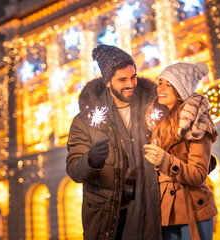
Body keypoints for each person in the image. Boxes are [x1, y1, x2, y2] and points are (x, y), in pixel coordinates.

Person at [66, 44, 162, 240]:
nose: (130, 84)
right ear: (108, 81)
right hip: (110, 216)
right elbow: (74, 170)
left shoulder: (154, 107)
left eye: (133, 77)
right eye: (122, 79)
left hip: (152, 209)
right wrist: (91, 160)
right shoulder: (85, 120)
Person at [144, 62, 218, 240]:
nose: (160, 88)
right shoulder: (158, 124)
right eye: (160, 82)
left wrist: (165, 161)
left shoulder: (197, 124)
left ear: (181, 89)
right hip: (165, 211)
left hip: (193, 208)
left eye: (168, 84)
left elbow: (198, 175)